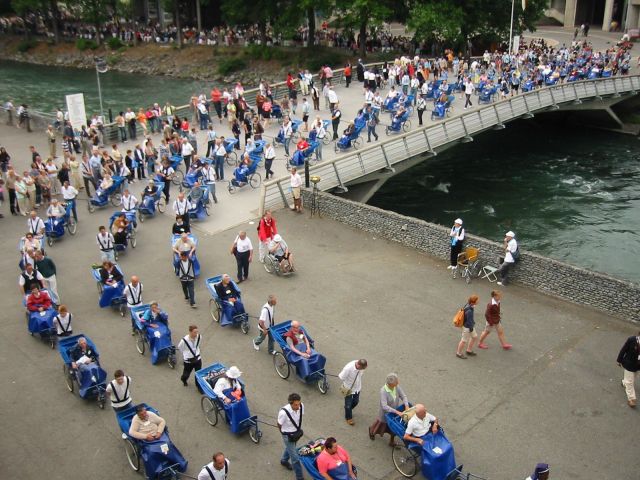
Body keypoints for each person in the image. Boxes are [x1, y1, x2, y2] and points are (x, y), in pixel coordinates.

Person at [369, 373, 409, 445]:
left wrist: (406, 405)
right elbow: (384, 406)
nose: (398, 383)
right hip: (385, 413)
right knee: (381, 424)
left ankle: (391, 441)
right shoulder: (383, 391)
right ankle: (372, 431)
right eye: (396, 382)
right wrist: (397, 412)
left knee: (393, 428)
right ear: (390, 385)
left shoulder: (396, 387)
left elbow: (403, 396)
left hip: (394, 412)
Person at [278, 392, 305, 480]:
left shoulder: (301, 406)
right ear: (290, 403)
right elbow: (279, 424)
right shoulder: (283, 413)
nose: (298, 407)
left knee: (290, 447)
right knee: (295, 459)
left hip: (296, 434)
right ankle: (299, 477)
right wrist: (283, 433)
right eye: (296, 405)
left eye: (299, 404)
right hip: (288, 435)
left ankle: (284, 460)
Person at [339, 359, 368, 426]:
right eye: (361, 368)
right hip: (348, 388)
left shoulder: (361, 366)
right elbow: (341, 377)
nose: (362, 370)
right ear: (358, 365)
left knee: (356, 402)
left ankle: (347, 409)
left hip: (357, 388)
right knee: (348, 405)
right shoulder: (348, 368)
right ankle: (348, 418)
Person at [617, 330, 640, 408]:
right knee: (630, 382)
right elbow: (623, 350)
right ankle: (631, 399)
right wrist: (619, 360)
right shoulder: (631, 340)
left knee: (631, 379)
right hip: (629, 364)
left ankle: (624, 382)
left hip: (638, 366)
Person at [456, 294, 479, 359]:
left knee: (474, 337)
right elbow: (469, 321)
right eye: (477, 300)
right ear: (473, 302)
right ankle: (458, 353)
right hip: (467, 327)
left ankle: (469, 350)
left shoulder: (468, 305)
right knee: (463, 340)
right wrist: (471, 328)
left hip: (470, 326)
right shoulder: (469, 311)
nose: (478, 301)